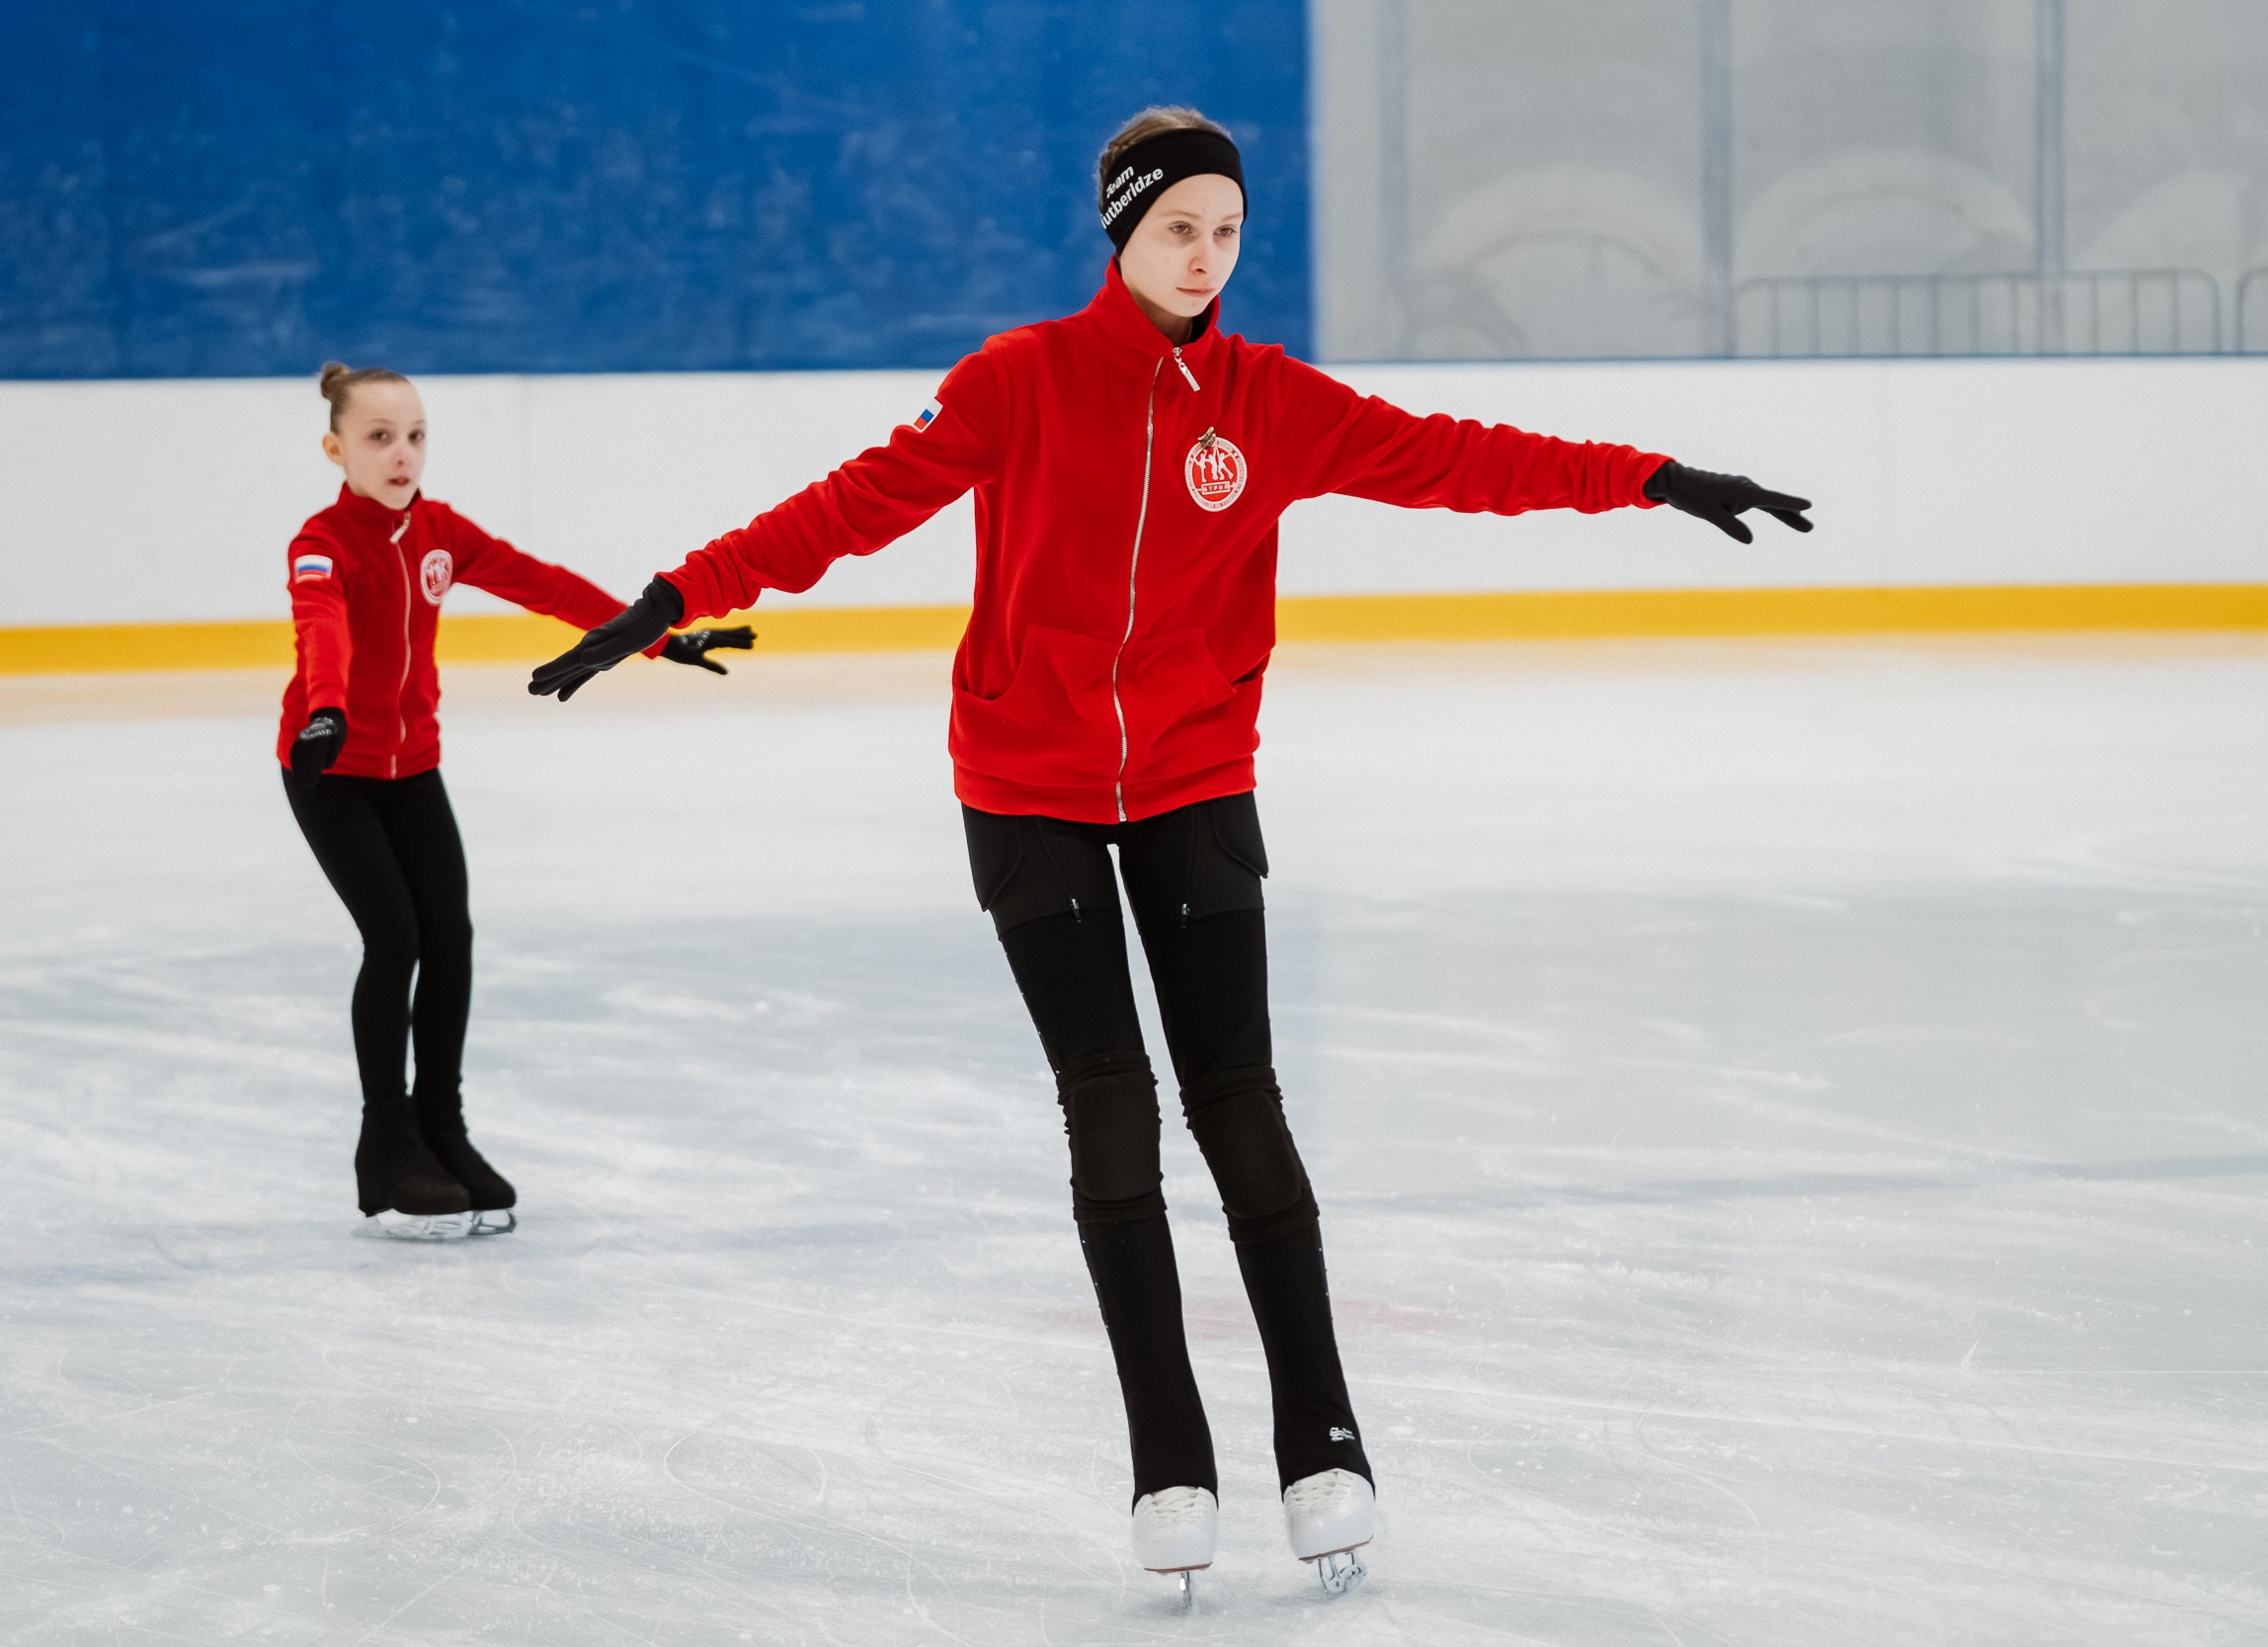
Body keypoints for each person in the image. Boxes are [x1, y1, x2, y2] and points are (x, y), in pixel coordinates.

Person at [528, 109, 1811, 1593]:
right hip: (1026, 780)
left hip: (1195, 769)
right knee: (1113, 1112)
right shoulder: (1020, 380)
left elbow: (1461, 458)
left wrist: (1650, 477)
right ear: (1120, 232)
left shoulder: (1271, 401)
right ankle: (1167, 1454)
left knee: (1242, 1107)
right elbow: (853, 505)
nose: (1206, 257)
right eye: (1178, 228)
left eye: (1228, 230)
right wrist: (670, 595)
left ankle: (1323, 1438)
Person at [281, 362, 754, 1239]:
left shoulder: (439, 531)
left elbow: (543, 582)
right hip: (331, 766)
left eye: (416, 436)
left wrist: (657, 638)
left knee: (449, 938)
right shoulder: (321, 542)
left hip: (412, 764)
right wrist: (326, 712)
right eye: (379, 437)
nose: (402, 453)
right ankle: (385, 1142)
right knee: (395, 937)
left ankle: (442, 1129)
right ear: (334, 446)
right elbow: (324, 633)